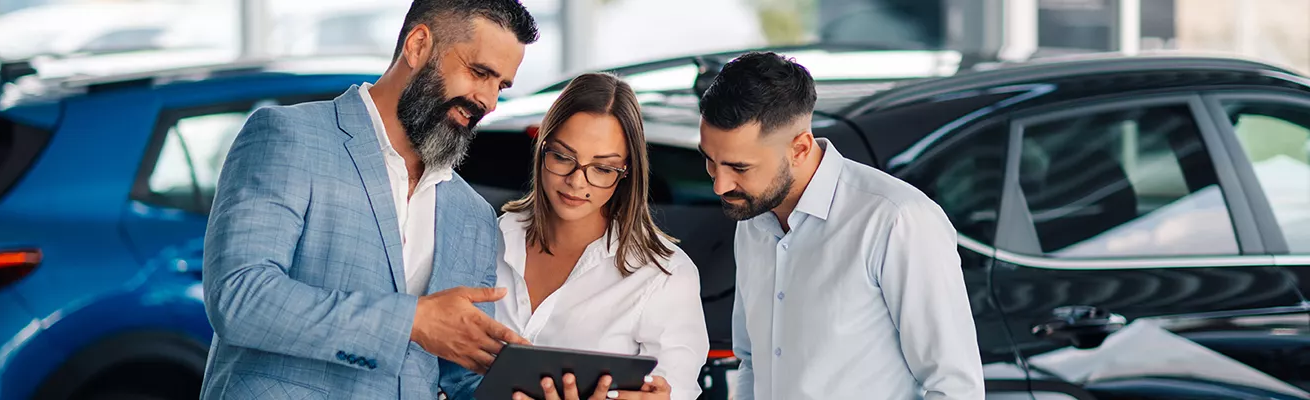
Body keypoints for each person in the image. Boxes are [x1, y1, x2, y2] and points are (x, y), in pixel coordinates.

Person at [198, 1, 539, 399]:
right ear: (417, 46)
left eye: (501, 85)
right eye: (479, 72)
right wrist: (411, 321)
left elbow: (461, 375)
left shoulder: (473, 214)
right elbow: (240, 297)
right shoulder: (289, 136)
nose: (489, 101)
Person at [696, 51, 984, 399]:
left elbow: (953, 387)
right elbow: (752, 362)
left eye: (739, 168)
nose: (720, 185)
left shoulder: (895, 220)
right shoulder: (753, 218)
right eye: (710, 161)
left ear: (800, 148)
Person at [498, 73, 709, 400]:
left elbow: (674, 392)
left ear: (626, 173)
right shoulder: (490, 240)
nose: (577, 182)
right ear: (542, 148)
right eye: (563, 157)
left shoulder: (664, 275)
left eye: (602, 169)